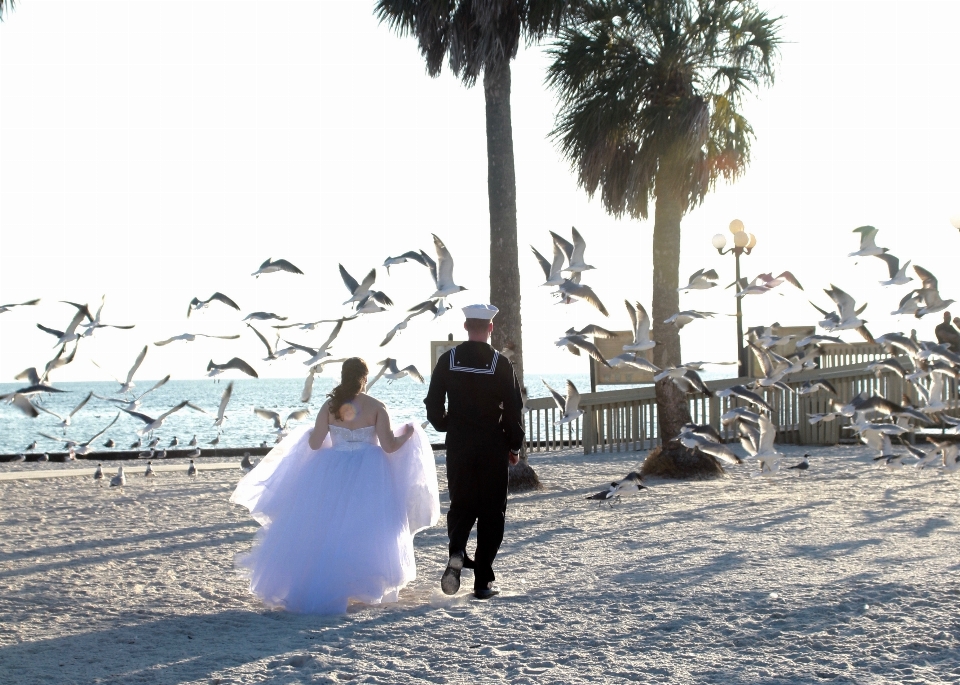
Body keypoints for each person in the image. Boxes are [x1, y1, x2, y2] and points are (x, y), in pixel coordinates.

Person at [231, 357, 440, 614]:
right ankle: (361, 584)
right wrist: (408, 434)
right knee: (366, 529)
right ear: (364, 378)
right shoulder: (376, 407)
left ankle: (327, 582)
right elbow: (389, 446)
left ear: (343, 376)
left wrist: (319, 433)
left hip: (332, 471)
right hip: (370, 474)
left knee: (328, 528)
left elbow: (315, 444)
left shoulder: (330, 407)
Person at [424, 304, 525, 599]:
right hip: (493, 446)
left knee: (461, 505)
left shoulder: (448, 359)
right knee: (492, 512)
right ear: (490, 328)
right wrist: (514, 445)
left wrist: (445, 424)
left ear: (467, 327)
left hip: (459, 444)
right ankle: (482, 582)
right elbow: (514, 409)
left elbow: (432, 403)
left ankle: (457, 550)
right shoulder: (500, 364)